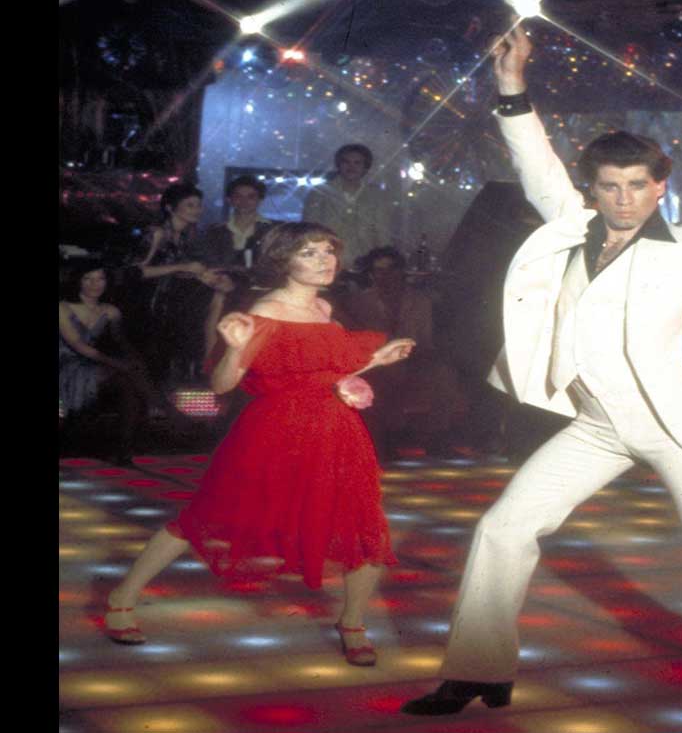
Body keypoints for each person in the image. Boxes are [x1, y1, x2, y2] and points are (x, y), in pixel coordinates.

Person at [402, 26, 682, 733]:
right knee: (504, 528)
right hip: (597, 425)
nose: (625, 199)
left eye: (639, 185)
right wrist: (511, 86)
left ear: (660, 188)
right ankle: (478, 670)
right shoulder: (571, 227)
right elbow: (535, 160)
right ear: (594, 189)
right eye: (611, 186)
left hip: (677, 427)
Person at [102, 223, 415, 668]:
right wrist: (233, 349)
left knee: (362, 524)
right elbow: (221, 385)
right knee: (206, 517)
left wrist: (377, 359)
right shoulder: (265, 311)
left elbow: (324, 371)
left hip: (336, 430)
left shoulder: (325, 308)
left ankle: (352, 623)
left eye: (328, 251)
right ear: (283, 260)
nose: (325, 261)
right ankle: (122, 597)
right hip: (274, 431)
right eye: (309, 253)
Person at [343, 246, 465, 458]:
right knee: (386, 377)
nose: (385, 275)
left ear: (401, 272)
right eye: (379, 270)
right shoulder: (359, 302)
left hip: (414, 358)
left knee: (444, 374)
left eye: (391, 269)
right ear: (371, 274)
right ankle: (386, 440)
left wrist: (415, 356)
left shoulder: (420, 301)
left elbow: (424, 340)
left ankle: (436, 437)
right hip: (375, 362)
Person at [59, 261, 182, 463]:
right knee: (126, 372)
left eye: (100, 278)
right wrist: (117, 364)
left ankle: (125, 448)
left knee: (129, 383)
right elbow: (78, 345)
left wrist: (134, 360)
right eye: (88, 279)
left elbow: (121, 342)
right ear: (78, 281)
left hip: (96, 364)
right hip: (68, 365)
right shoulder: (63, 308)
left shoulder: (110, 310)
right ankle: (166, 409)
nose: (95, 284)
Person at [124, 182, 220, 386]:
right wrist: (182, 267)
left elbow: (178, 270)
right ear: (170, 207)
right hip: (151, 304)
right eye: (190, 205)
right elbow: (134, 272)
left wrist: (200, 274)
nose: (197, 210)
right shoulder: (157, 233)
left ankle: (199, 369)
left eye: (199, 205)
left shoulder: (185, 235)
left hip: (171, 300)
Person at [301, 144, 392, 270]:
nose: (351, 167)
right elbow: (309, 229)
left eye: (357, 163)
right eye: (346, 162)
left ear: (365, 167)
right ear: (339, 165)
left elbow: (382, 231)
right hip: (328, 261)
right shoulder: (319, 192)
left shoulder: (376, 195)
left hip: (366, 262)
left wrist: (384, 261)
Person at [199, 175, 274, 268]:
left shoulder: (272, 230)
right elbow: (207, 263)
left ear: (260, 200)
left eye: (251, 197)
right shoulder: (214, 231)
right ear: (229, 199)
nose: (244, 201)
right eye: (238, 196)